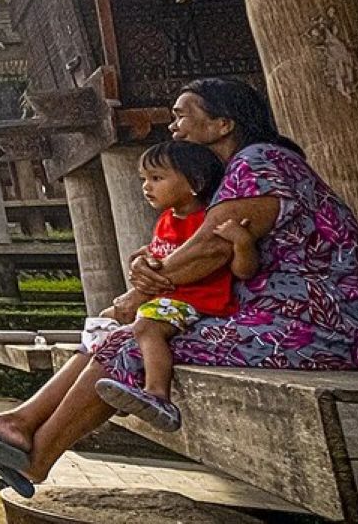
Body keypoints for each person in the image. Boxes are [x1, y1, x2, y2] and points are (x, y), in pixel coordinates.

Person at [0, 77, 358, 496]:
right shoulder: (238, 173)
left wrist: (144, 285)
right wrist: (151, 267)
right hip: (278, 324)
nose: (174, 126)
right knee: (117, 338)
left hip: (323, 330)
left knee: (130, 347)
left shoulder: (261, 161)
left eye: (183, 115)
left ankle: (34, 452)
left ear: (222, 124)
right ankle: (20, 426)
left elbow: (212, 249)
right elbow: (198, 248)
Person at [93, 140, 256, 432]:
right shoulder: (166, 219)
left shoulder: (208, 222)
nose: (147, 187)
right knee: (107, 318)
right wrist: (144, 258)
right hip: (165, 300)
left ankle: (158, 395)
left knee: (147, 326)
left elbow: (243, 271)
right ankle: (120, 383)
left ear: (195, 182)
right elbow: (163, 257)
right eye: (144, 179)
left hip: (196, 301)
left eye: (157, 178)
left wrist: (242, 242)